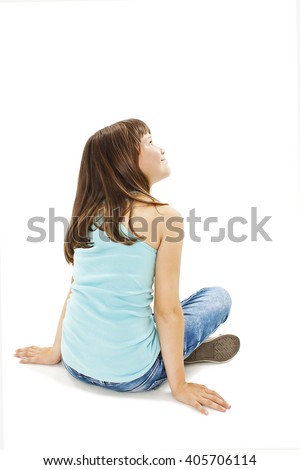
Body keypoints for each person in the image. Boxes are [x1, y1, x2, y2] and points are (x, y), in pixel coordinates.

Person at [14, 118, 240, 415]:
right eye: (149, 142)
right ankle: (175, 359)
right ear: (126, 161)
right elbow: (167, 311)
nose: (160, 148)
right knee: (217, 297)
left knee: (148, 310)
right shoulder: (165, 218)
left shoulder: (88, 215)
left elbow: (76, 291)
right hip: (134, 376)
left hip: (74, 362)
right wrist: (180, 387)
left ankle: (169, 350)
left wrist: (56, 352)